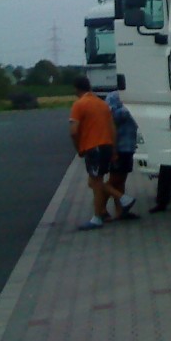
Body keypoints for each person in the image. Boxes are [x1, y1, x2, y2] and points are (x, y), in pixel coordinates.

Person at [69, 76, 135, 230]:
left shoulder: (79, 105)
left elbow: (73, 131)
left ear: (76, 89)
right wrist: (113, 150)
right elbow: (112, 128)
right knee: (95, 181)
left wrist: (78, 147)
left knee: (96, 182)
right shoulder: (101, 104)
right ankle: (101, 213)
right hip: (107, 145)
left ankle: (120, 201)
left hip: (93, 147)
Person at [105, 91, 139, 220]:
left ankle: (120, 211)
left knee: (121, 181)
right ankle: (102, 210)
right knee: (112, 181)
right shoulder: (114, 96)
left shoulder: (133, 95)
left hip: (128, 146)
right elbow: (111, 116)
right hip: (119, 146)